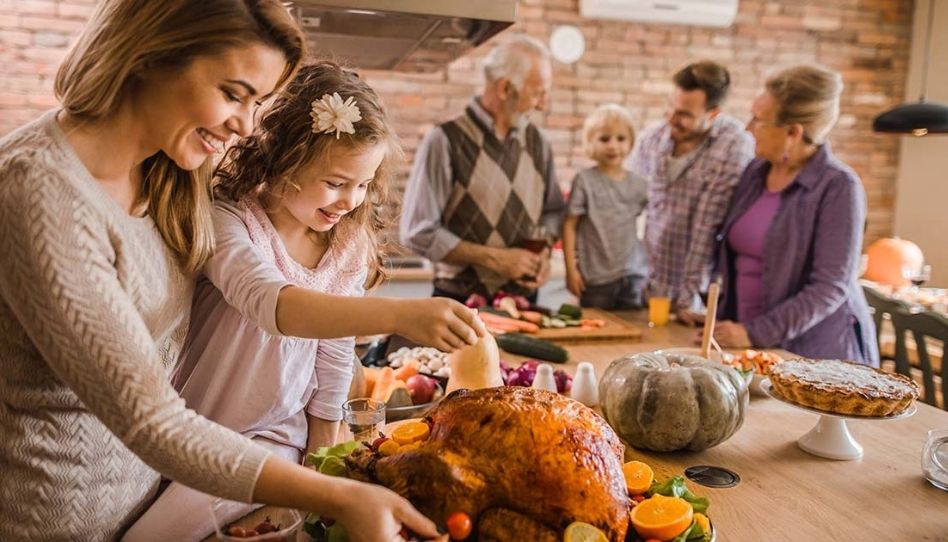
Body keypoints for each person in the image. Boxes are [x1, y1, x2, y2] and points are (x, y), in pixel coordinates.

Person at [0, 1, 470, 540]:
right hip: (61, 519)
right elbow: (149, 419)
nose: (247, 126)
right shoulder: (39, 193)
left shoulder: (169, 174)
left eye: (259, 102)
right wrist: (339, 493)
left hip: (151, 490)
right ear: (151, 56)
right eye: (233, 93)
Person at [121, 60, 413, 541]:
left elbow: (334, 357)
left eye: (363, 185)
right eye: (336, 182)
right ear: (286, 160)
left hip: (276, 441)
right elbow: (268, 302)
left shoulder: (347, 248)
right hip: (196, 434)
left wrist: (322, 465)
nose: (350, 201)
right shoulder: (231, 223)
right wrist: (401, 314)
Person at [713, 65, 879, 365]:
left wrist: (755, 332)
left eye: (759, 120)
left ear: (793, 132)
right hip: (749, 346)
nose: (748, 128)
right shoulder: (755, 173)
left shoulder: (839, 186)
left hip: (813, 355)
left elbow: (829, 287)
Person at [400, 35, 566, 304]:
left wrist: (543, 254)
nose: (542, 105)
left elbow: (554, 211)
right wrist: (496, 259)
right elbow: (419, 233)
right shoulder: (445, 141)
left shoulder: (539, 143)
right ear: (504, 89)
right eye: (537, 93)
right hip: (459, 305)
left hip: (524, 304)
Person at [625, 60, 754, 324]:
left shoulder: (733, 144)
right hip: (648, 287)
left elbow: (708, 224)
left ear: (713, 113)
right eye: (671, 107)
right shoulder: (652, 139)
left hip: (698, 298)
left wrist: (688, 296)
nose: (672, 118)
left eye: (684, 114)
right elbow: (626, 207)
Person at [562, 104, 648, 309]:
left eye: (621, 139)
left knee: (633, 331)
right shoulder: (584, 181)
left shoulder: (639, 184)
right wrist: (570, 270)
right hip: (595, 278)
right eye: (604, 139)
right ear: (590, 142)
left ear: (631, 143)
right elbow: (569, 225)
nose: (613, 146)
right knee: (596, 329)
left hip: (632, 275)